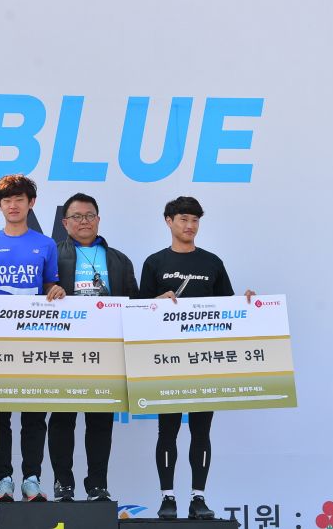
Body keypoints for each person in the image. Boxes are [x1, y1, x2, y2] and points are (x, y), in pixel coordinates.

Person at [139, 196, 255, 521]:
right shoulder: (154, 263)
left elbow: (228, 310)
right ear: (169, 221)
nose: (190, 226)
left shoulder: (212, 263)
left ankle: (198, 498)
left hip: (205, 362)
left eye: (195, 220)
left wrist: (248, 304)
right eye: (183, 219)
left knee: (201, 432)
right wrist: (155, 301)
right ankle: (167, 498)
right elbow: (138, 311)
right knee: (167, 431)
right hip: (166, 362)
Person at [0, 174, 65, 502]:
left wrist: (56, 290)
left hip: (35, 341)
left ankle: (31, 478)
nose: (13, 205)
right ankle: (3, 480)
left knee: (35, 415)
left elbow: (49, 286)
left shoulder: (46, 244)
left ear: (31, 203)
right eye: (7, 200)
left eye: (19, 199)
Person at [48, 192, 138, 502]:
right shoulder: (52, 255)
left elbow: (135, 305)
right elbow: (35, 296)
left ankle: (98, 484)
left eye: (89, 216)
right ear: (65, 223)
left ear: (98, 220)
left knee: (100, 421)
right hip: (63, 350)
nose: (84, 221)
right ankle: (63, 483)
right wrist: (50, 290)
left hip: (106, 352)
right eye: (77, 217)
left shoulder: (119, 260)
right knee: (62, 419)